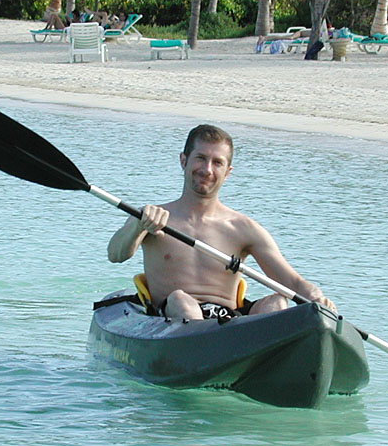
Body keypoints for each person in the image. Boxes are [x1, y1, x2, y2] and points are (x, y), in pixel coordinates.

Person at [107, 124, 336, 322]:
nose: (207, 170)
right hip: (171, 318)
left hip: (227, 324)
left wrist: (316, 297)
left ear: (227, 172)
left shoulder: (243, 229)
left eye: (217, 162)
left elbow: (291, 281)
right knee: (181, 300)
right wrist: (138, 226)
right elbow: (115, 254)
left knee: (277, 302)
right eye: (200, 158)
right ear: (183, 161)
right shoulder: (152, 216)